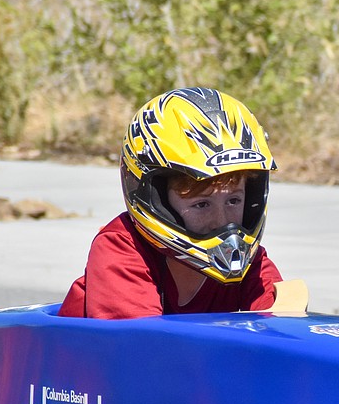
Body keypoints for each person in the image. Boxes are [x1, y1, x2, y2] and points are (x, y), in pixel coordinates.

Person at [58, 87, 283, 319]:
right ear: (159, 201)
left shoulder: (249, 264)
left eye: (233, 200)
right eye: (202, 204)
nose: (222, 221)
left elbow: (282, 332)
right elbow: (146, 346)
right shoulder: (122, 249)